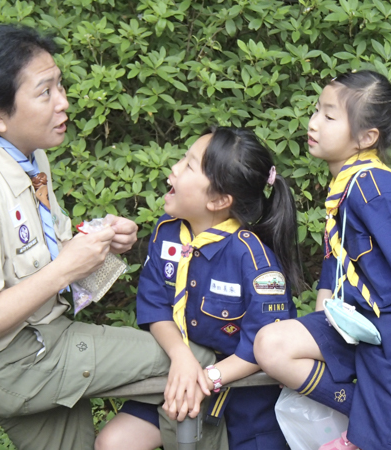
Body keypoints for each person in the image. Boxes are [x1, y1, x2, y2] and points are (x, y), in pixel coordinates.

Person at [0, 24, 219, 450]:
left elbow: (48, 257)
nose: (64, 103)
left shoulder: (26, 155)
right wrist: (65, 268)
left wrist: (100, 243)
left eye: (60, 85)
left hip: (38, 341)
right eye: (45, 92)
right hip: (8, 363)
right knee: (197, 363)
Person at [254, 70, 391, 450]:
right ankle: (372, 419)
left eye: (329, 116)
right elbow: (335, 266)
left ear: (366, 137)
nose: (313, 123)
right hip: (369, 330)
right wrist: (320, 327)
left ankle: (378, 426)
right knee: (273, 344)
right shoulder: (349, 188)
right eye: (317, 111)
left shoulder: (378, 190)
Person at [95, 127, 303, 450]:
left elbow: (264, 345)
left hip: (243, 399)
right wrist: (181, 358)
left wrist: (207, 378)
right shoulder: (166, 235)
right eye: (183, 159)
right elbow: (156, 307)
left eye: (189, 166)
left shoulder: (253, 259)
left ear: (220, 200)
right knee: (113, 442)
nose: (173, 170)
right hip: (178, 376)